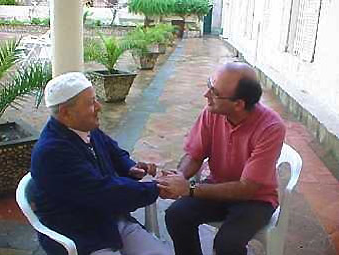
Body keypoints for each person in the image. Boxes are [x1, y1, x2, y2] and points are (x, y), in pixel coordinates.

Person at [31, 72, 171, 255]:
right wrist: (157, 188)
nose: (99, 107)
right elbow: (104, 191)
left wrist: (129, 167)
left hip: (109, 219)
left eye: (95, 99)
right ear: (66, 112)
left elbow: (115, 152)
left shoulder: (85, 128)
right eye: (90, 103)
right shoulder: (52, 152)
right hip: (78, 233)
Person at [157, 62, 286, 255]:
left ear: (239, 104)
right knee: (176, 215)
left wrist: (189, 189)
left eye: (215, 92)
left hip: (255, 199)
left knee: (227, 244)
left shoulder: (271, 127)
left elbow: (246, 189)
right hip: (217, 187)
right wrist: (179, 177)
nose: (206, 95)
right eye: (209, 84)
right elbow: (195, 154)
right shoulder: (212, 113)